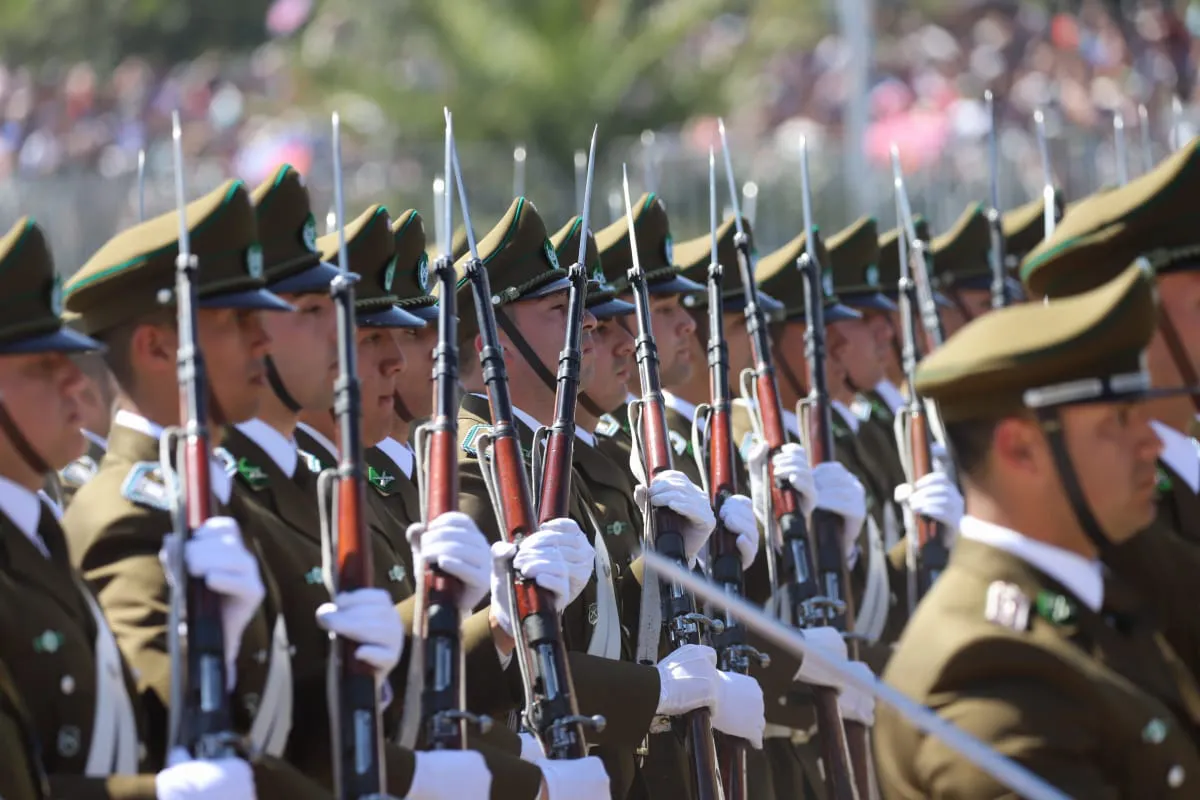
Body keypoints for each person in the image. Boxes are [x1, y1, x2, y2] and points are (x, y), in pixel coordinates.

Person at [227, 171, 606, 799]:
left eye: (412, 334)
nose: (406, 359)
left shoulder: (365, 481)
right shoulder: (265, 494)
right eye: (377, 335)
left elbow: (407, 682)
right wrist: (519, 778)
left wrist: (506, 628)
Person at [455, 196, 766, 800]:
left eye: (592, 319)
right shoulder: (484, 465)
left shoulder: (560, 457)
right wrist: (657, 692)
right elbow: (500, 660)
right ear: (500, 339)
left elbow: (613, 609)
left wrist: (690, 564)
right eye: (561, 313)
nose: (595, 333)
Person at [874, 263, 1200, 798]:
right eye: (1118, 421)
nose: (1153, 444)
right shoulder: (982, 672)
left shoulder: (1098, 584)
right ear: (1020, 449)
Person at [1, 211, 264, 797]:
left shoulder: (37, 536)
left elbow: (123, 730)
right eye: (43, 365)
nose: (78, 383)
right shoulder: (83, 524)